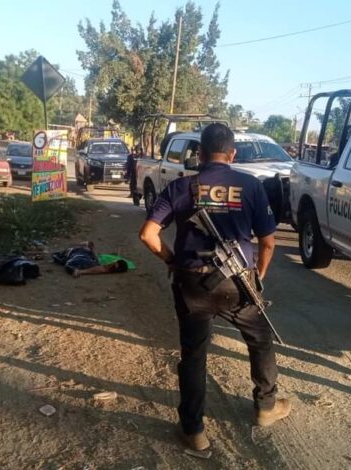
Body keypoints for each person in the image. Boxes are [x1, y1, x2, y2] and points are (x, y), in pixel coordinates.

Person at [139, 123, 290, 452]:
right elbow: (267, 242)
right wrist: (258, 278)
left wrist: (171, 260)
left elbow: (148, 234)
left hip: (192, 282)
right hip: (238, 282)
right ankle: (265, 407)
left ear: (200, 154)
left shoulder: (181, 187)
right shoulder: (250, 186)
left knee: (194, 355)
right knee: (260, 341)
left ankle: (194, 430)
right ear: (232, 154)